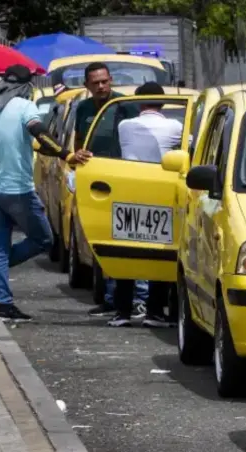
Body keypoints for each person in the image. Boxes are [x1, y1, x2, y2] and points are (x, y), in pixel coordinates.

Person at [0, 65, 80, 322]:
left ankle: (3, 302)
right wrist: (68, 154)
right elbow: (40, 134)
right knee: (43, 240)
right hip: (17, 190)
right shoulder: (25, 106)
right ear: (28, 87)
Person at [71, 62, 148, 319]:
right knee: (102, 243)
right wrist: (76, 160)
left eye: (104, 81)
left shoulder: (124, 106)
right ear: (87, 86)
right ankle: (110, 298)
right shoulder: (82, 108)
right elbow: (79, 141)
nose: (101, 86)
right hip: (98, 183)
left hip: (126, 181)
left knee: (127, 242)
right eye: (95, 82)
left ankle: (136, 299)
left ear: (111, 80)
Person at [108, 82, 182, 328]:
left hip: (127, 193)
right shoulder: (175, 126)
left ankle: (122, 312)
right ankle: (155, 312)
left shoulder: (124, 126)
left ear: (139, 103)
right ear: (163, 103)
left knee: (127, 251)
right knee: (160, 251)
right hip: (159, 194)